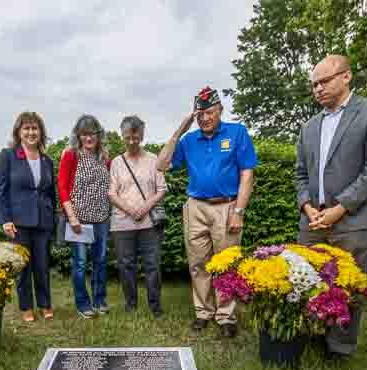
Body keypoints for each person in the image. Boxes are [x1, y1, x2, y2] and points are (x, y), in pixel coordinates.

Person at [294, 55, 367, 360]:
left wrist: (341, 208)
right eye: (314, 85)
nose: (318, 89)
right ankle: (315, 333)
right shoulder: (308, 127)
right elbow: (300, 174)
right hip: (313, 222)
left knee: (347, 286)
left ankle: (340, 347)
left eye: (324, 81)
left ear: (346, 76)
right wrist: (306, 206)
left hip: (352, 220)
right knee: (308, 281)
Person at [156, 86, 257, 337]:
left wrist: (239, 211)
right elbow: (161, 165)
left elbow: (247, 173)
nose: (205, 118)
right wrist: (182, 128)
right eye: (199, 114)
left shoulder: (237, 133)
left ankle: (225, 316)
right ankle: (203, 312)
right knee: (198, 263)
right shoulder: (189, 140)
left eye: (209, 112)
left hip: (227, 205)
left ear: (220, 110)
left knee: (226, 263)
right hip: (196, 207)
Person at [0, 111, 56, 322]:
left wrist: (53, 219)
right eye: (27, 128)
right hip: (19, 222)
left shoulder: (47, 160)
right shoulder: (8, 156)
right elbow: (1, 191)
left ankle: (45, 304)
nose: (31, 132)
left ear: (41, 132)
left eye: (35, 128)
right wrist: (5, 219)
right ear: (19, 132)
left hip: (43, 221)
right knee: (23, 267)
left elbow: (51, 193)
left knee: (42, 266)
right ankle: (26, 307)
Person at [108, 115, 166, 317]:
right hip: (122, 223)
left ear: (142, 135)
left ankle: (155, 305)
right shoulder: (116, 162)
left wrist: (143, 208)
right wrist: (130, 210)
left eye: (136, 137)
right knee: (126, 265)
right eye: (128, 137)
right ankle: (131, 304)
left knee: (152, 265)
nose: (132, 141)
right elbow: (112, 193)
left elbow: (161, 189)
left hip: (149, 223)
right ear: (122, 136)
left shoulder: (154, 160)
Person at [57, 115, 111, 319]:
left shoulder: (105, 157)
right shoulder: (71, 155)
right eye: (84, 134)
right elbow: (62, 186)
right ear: (78, 136)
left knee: (101, 261)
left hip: (102, 218)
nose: (89, 138)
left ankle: (99, 300)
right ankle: (82, 303)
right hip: (78, 219)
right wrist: (72, 217)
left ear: (99, 135)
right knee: (80, 263)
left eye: (92, 134)